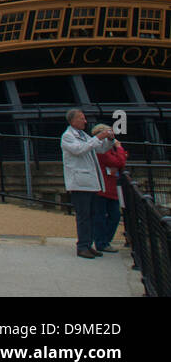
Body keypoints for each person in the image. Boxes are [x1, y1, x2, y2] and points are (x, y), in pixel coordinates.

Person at [62, 108, 114, 258]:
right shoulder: (67, 136)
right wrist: (98, 137)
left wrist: (109, 139)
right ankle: (82, 246)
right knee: (83, 216)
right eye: (81, 118)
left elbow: (101, 149)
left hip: (89, 182)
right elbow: (79, 150)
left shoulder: (84, 135)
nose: (85, 121)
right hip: (79, 183)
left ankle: (88, 244)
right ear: (72, 121)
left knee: (92, 215)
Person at [93, 124, 127, 254]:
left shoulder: (107, 149)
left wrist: (120, 153)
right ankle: (102, 242)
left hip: (109, 187)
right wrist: (119, 149)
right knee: (106, 216)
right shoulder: (102, 150)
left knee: (112, 215)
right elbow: (118, 162)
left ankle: (104, 241)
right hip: (104, 188)